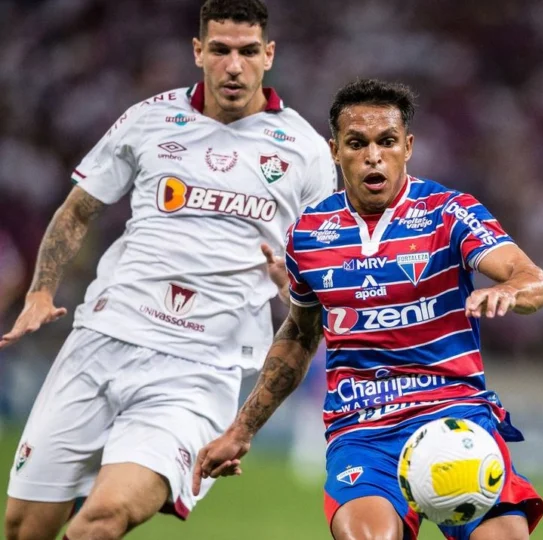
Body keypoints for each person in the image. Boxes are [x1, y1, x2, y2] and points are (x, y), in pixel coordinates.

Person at [2, 1, 338, 538]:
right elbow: (78, 209)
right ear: (198, 51)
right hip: (101, 340)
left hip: (198, 370)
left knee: (101, 520)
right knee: (24, 528)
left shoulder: (306, 152)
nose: (234, 66)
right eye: (221, 50)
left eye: (248, 51)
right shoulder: (149, 118)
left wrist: (293, 283)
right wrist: (41, 291)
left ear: (269, 55)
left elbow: (326, 268)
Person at [193, 78, 543, 540]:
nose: (372, 155)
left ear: (407, 147)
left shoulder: (449, 213)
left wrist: (510, 292)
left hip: (455, 417)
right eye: (356, 143)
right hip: (364, 431)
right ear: (334, 149)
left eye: (386, 142)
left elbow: (534, 280)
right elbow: (301, 335)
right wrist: (242, 430)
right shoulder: (308, 235)